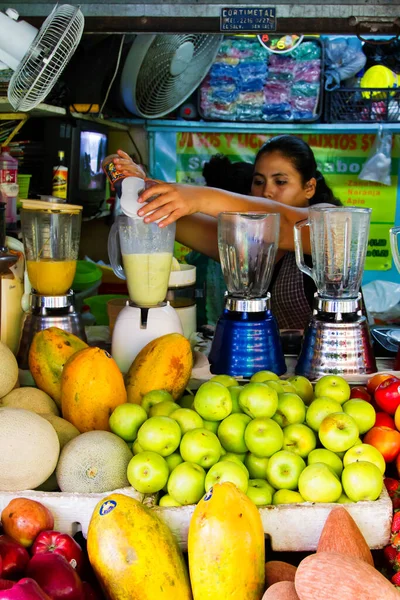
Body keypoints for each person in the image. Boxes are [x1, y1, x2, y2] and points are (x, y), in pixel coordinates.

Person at [114, 136, 341, 330]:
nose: (267, 191)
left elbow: (282, 224)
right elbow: (169, 218)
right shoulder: (247, 241)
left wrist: (198, 197)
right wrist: (140, 186)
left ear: (309, 187)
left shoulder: (330, 223)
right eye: (258, 182)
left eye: (280, 181)